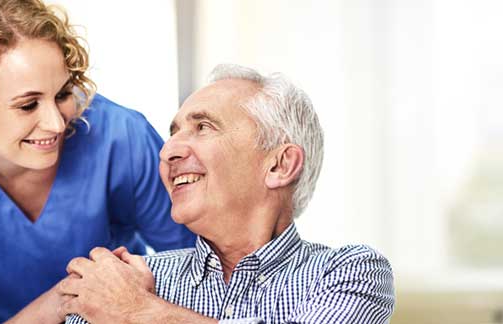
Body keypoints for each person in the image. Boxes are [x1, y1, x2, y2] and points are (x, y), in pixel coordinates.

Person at [0, 0, 195, 323]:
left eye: (63, 94)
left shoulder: (122, 139)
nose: (57, 124)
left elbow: (199, 277)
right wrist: (65, 299)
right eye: (28, 105)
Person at [61, 64, 395, 324]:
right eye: (173, 133)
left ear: (280, 165)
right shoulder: (125, 276)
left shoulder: (350, 272)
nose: (167, 152)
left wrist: (137, 311)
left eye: (203, 127)